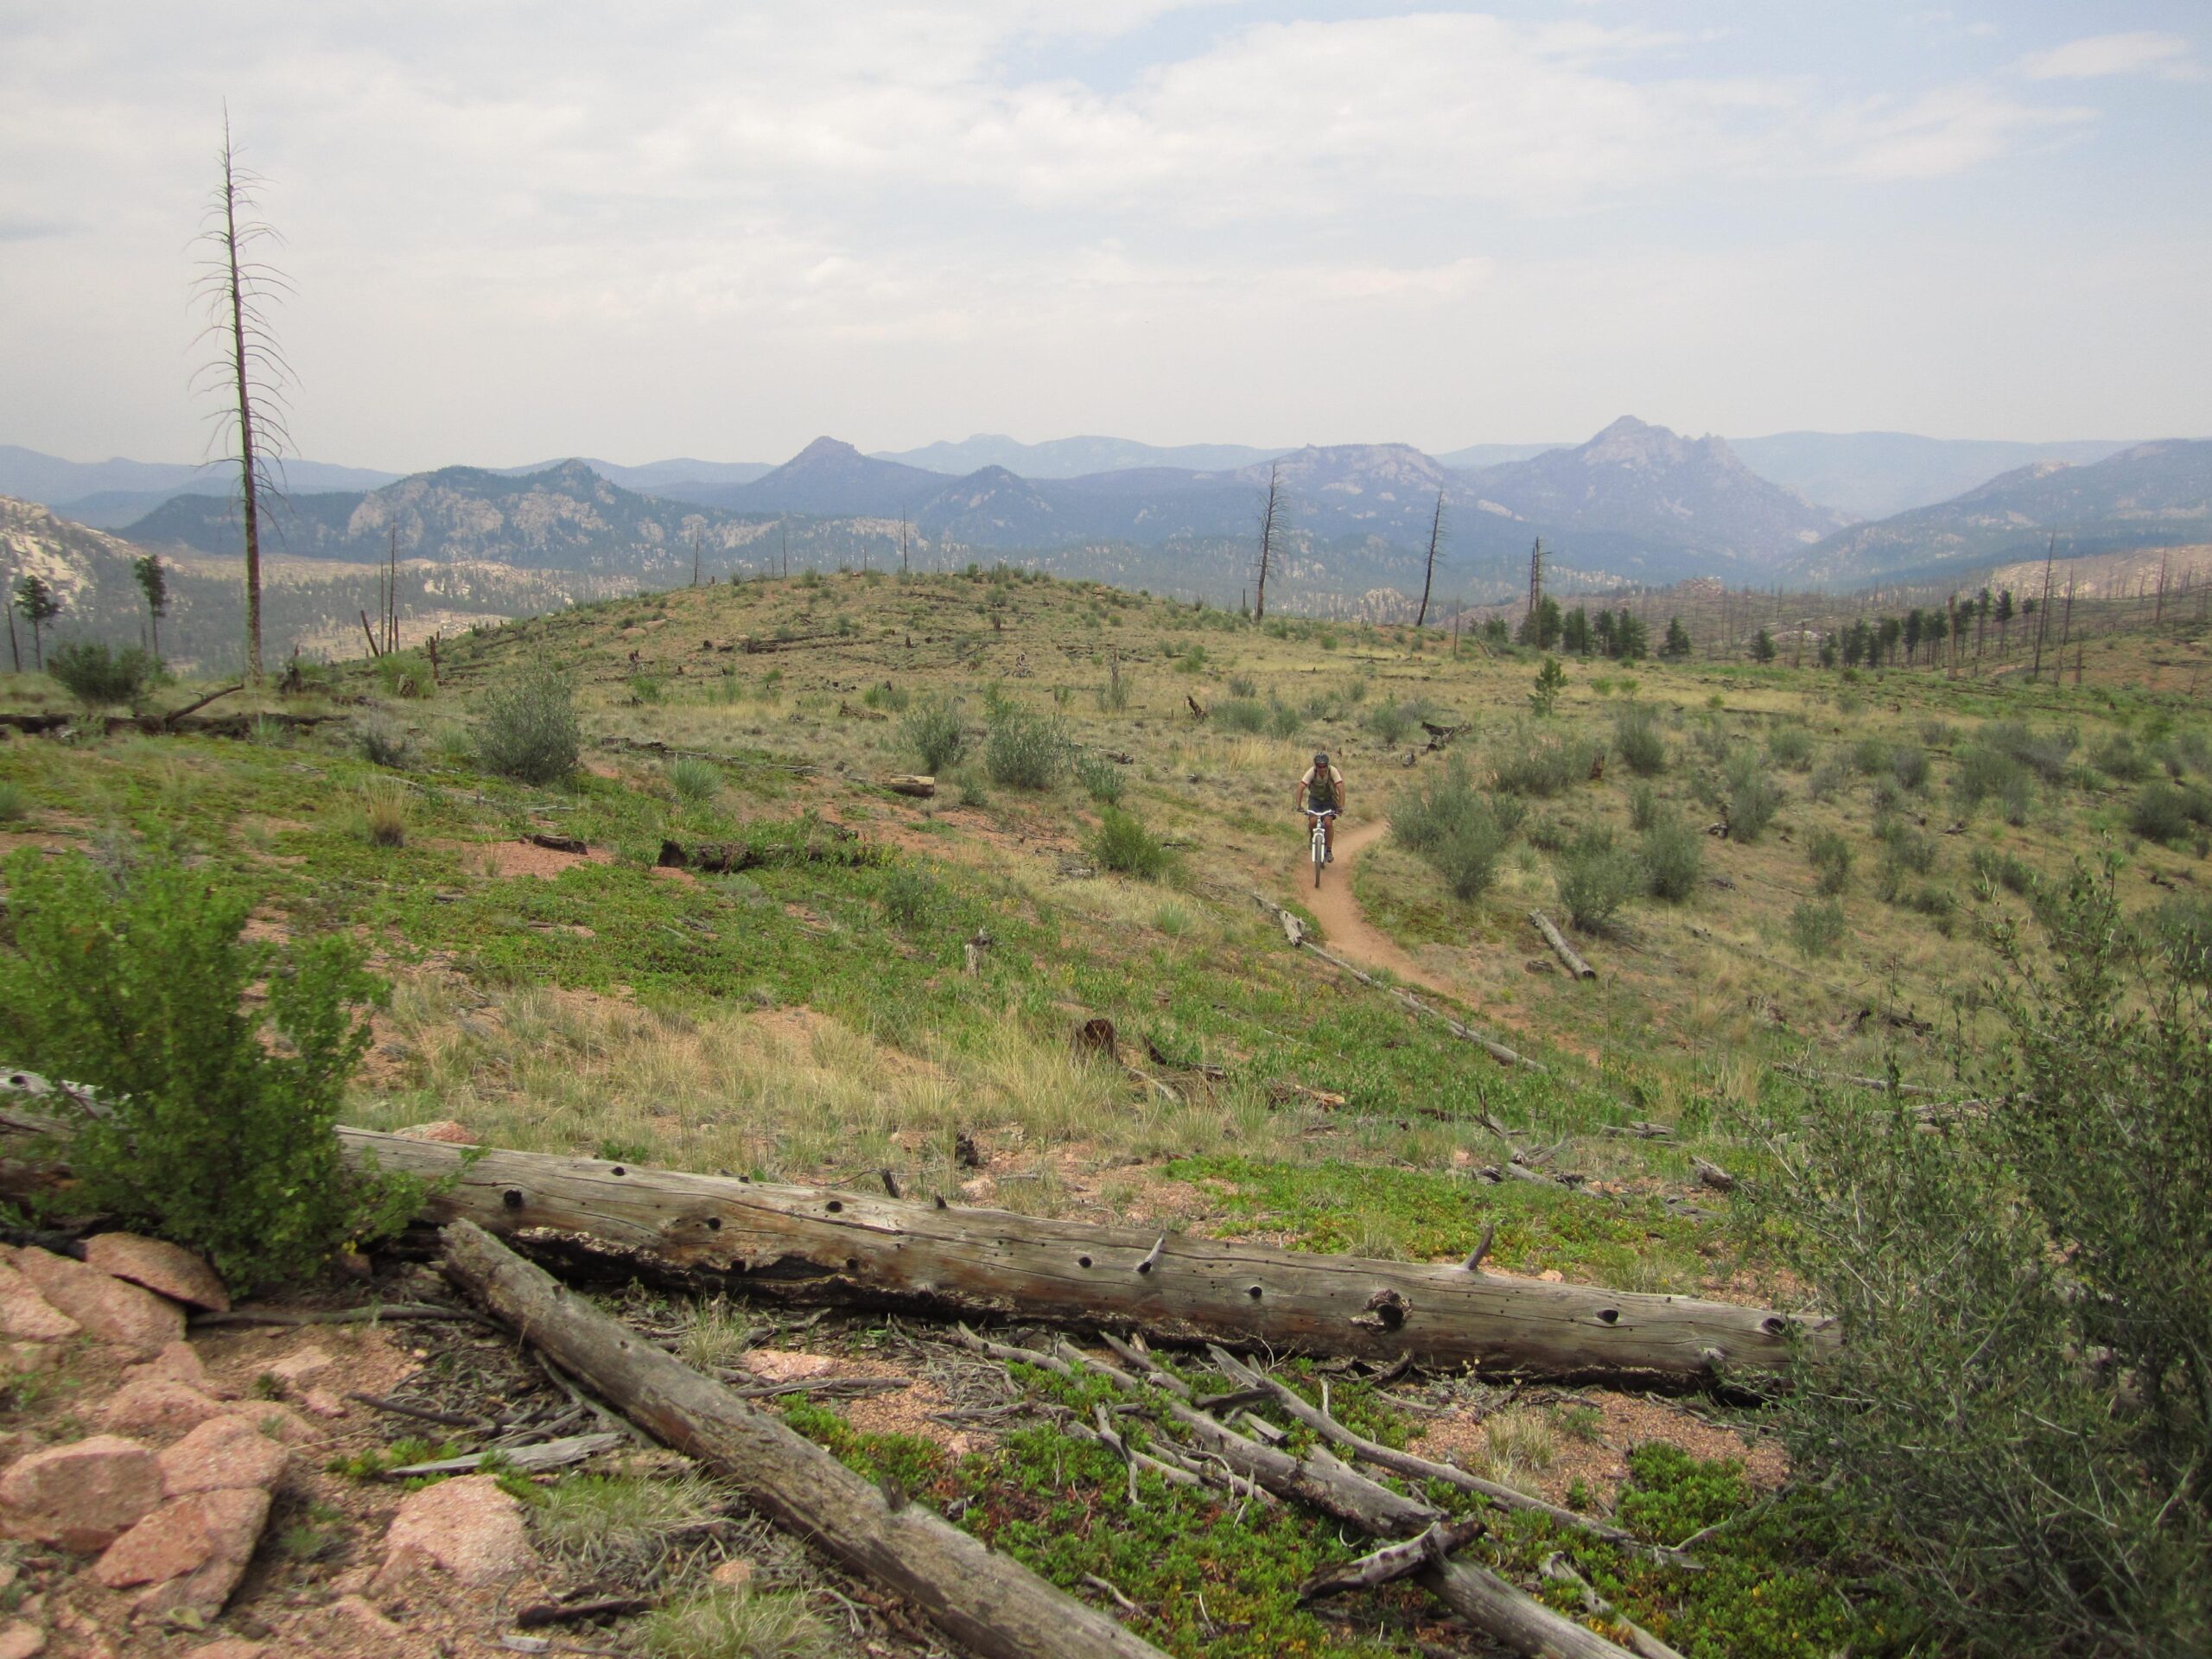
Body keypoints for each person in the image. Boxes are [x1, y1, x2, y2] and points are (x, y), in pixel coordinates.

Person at [1295, 751, 1346, 862]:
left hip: (1329, 800)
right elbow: (1301, 787)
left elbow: (1341, 787)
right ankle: (1312, 837)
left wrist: (1341, 806)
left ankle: (1329, 850)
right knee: (1313, 821)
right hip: (1315, 800)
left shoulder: (1332, 771)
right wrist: (1298, 806)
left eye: (1324, 766)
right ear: (1316, 765)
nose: (1322, 769)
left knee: (1328, 822)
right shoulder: (1312, 772)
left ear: (1327, 765)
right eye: (1319, 766)